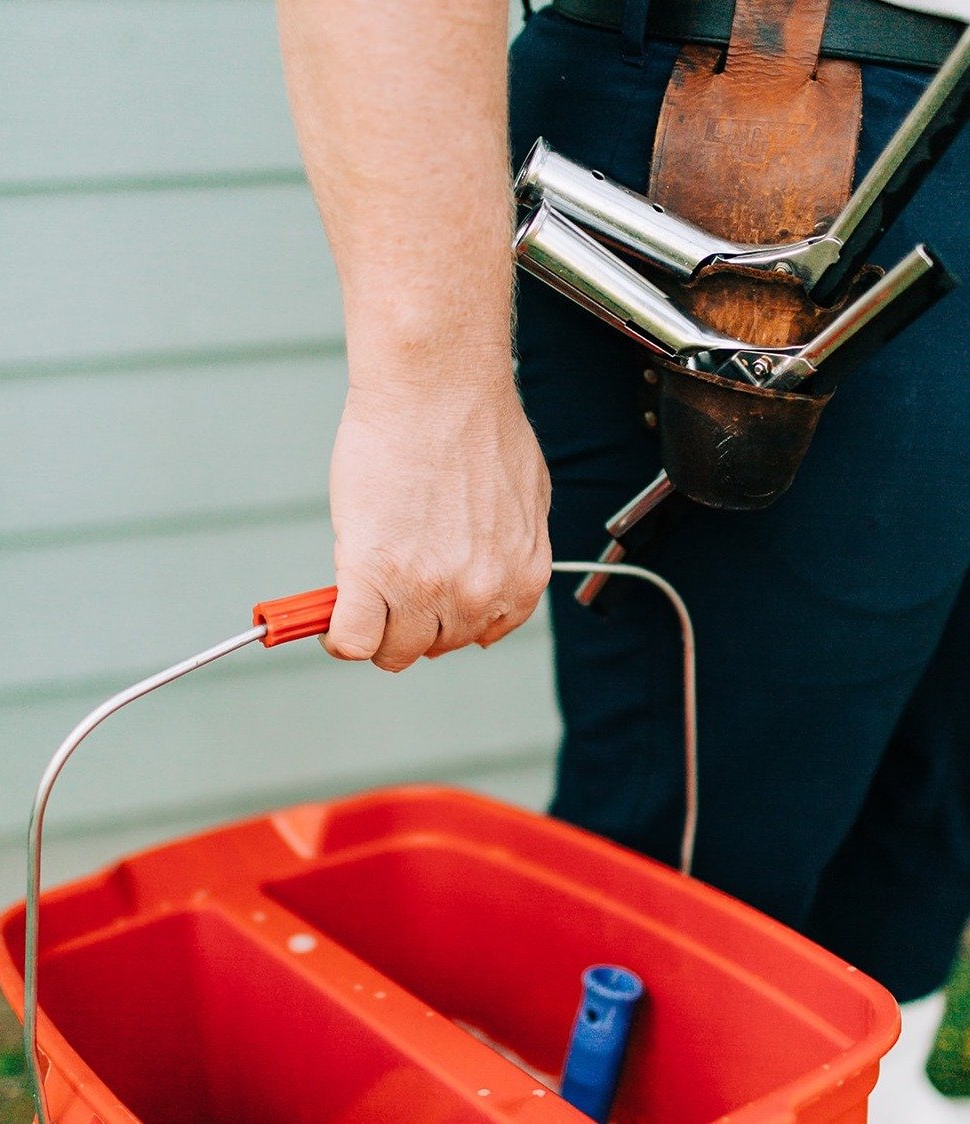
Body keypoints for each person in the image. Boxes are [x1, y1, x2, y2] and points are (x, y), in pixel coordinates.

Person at [276, 0, 969, 1116]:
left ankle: (873, 1088)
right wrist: (428, 393)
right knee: (708, 860)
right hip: (770, 113)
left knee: (928, 789)